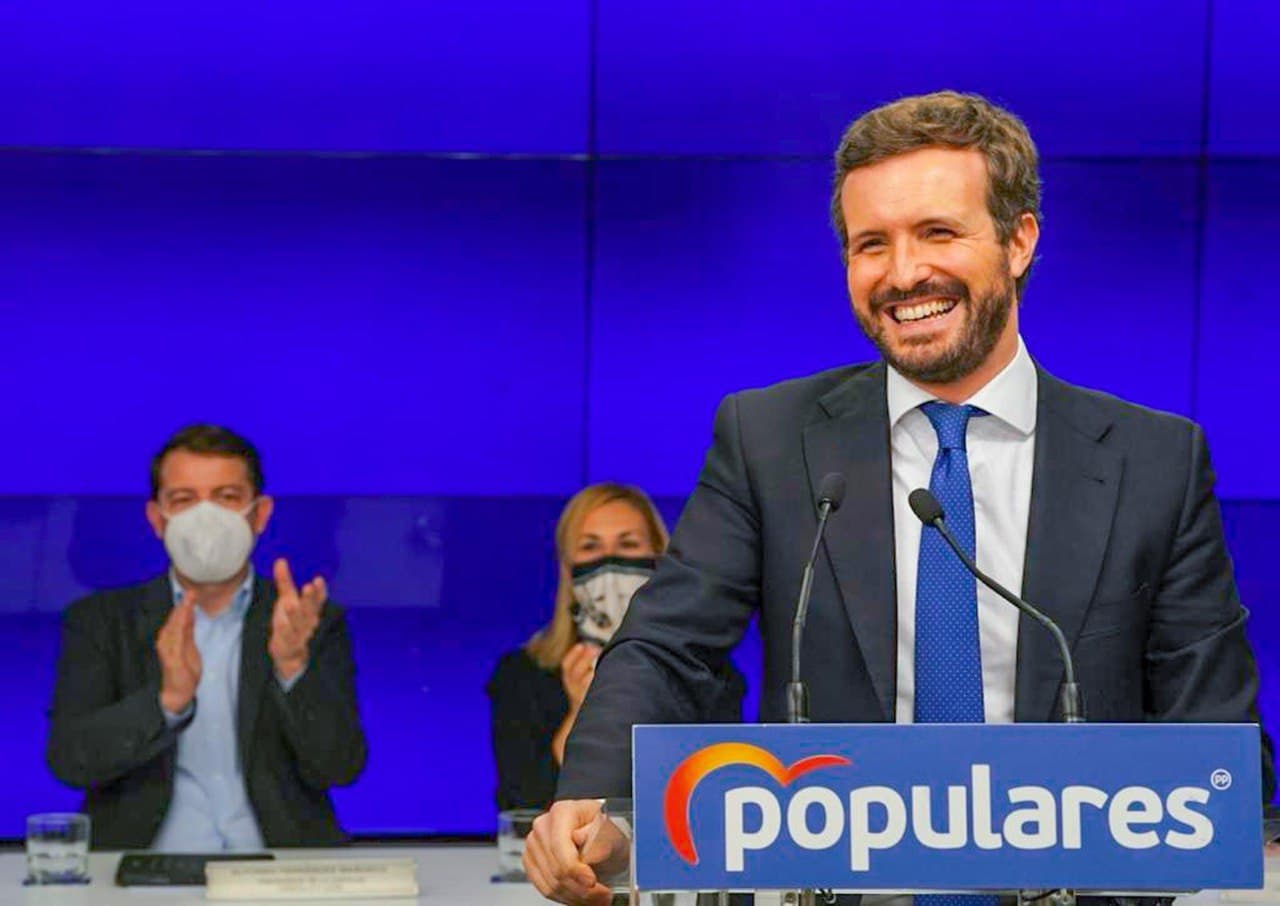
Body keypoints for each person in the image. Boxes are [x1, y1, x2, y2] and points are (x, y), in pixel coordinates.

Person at [522, 90, 1276, 904]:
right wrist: (594, 797)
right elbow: (668, 647)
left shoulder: (1153, 461)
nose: (904, 273)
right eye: (871, 244)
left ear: (1019, 241)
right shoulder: (768, 439)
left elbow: (1213, 728)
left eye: (938, 233)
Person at [46, 425, 367, 850]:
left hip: (277, 868)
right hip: (146, 868)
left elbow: (341, 767)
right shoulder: (102, 622)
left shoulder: (310, 622)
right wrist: (166, 703)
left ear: (260, 514)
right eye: (184, 500)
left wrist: (293, 669)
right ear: (157, 519)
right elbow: (70, 761)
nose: (206, 517)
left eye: (226, 497)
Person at [487, 482, 745, 812]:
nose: (609, 562)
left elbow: (713, 800)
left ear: (658, 559)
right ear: (568, 566)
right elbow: (526, 809)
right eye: (590, 547)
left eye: (628, 544)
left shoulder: (702, 672)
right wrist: (582, 712)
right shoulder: (521, 675)